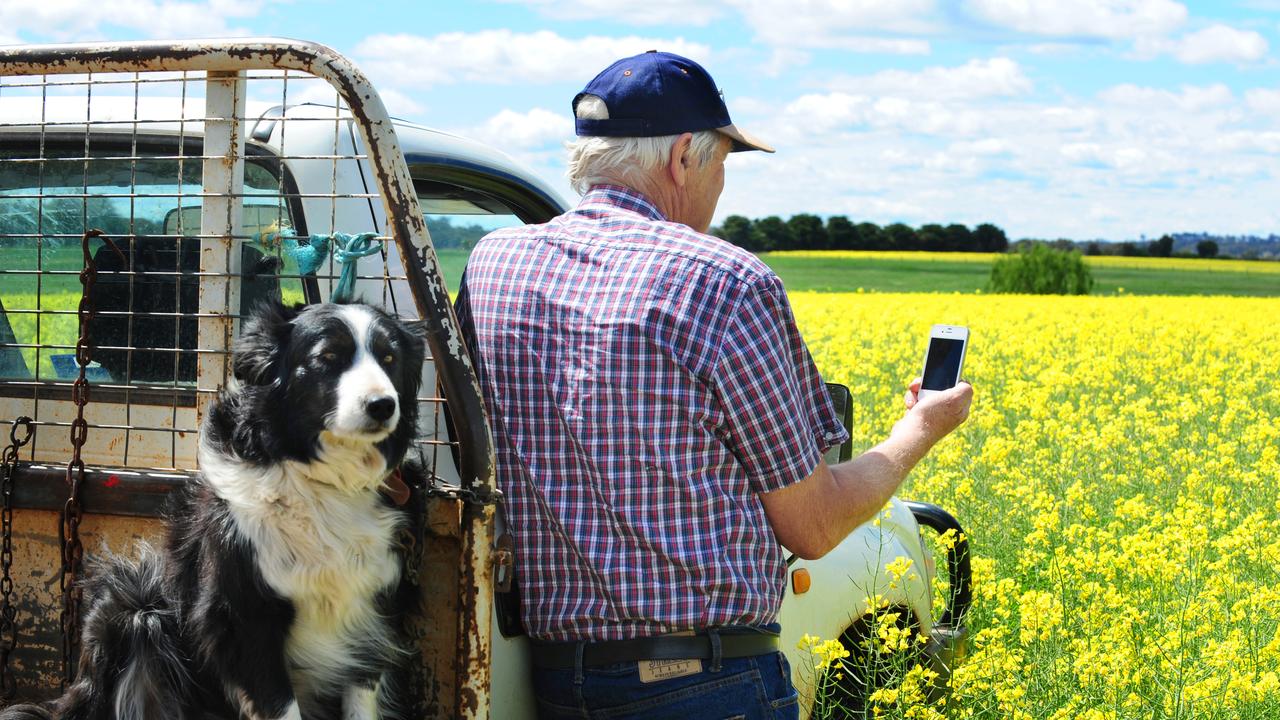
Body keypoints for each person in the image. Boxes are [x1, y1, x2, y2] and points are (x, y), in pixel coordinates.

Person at [454, 50, 974, 720]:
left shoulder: (494, 264)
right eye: (723, 162)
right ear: (681, 159)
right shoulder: (725, 281)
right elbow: (813, 525)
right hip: (708, 684)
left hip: (555, 683)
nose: (722, 184)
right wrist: (919, 430)